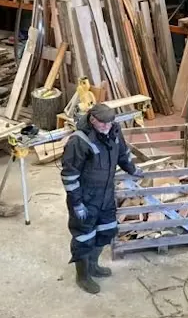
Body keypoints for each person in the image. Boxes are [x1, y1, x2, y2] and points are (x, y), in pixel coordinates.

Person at [60, 103, 143, 294]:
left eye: (110, 122)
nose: (107, 126)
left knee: (106, 231)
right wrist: (77, 203)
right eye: (102, 123)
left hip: (106, 195)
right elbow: (69, 176)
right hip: (86, 199)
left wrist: (132, 169)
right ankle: (82, 276)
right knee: (84, 237)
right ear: (92, 119)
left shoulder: (114, 132)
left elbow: (122, 154)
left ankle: (94, 266)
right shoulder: (79, 141)